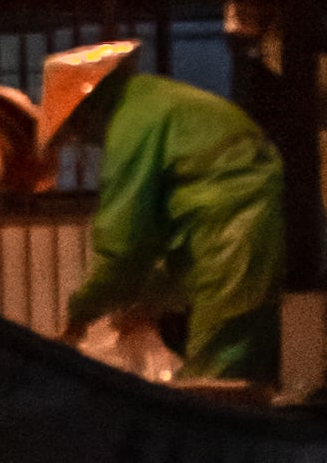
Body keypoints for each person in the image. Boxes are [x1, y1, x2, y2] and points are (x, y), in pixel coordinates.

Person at [42, 36, 288, 389]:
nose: (82, 139)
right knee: (245, 362)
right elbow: (159, 238)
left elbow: (124, 242)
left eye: (76, 129)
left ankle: (208, 443)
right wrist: (147, 300)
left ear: (86, 107)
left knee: (219, 373)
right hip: (239, 224)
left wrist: (79, 316)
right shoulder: (152, 100)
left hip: (233, 229)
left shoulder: (132, 122)